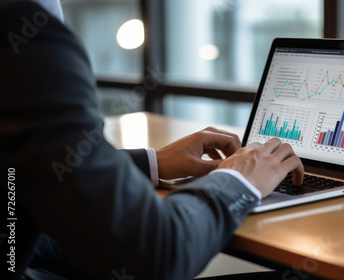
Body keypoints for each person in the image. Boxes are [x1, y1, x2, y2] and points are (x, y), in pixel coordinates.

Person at [0, 1, 304, 279]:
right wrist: (239, 180)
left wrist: (153, 162)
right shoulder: (20, 35)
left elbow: (21, 176)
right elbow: (155, 252)